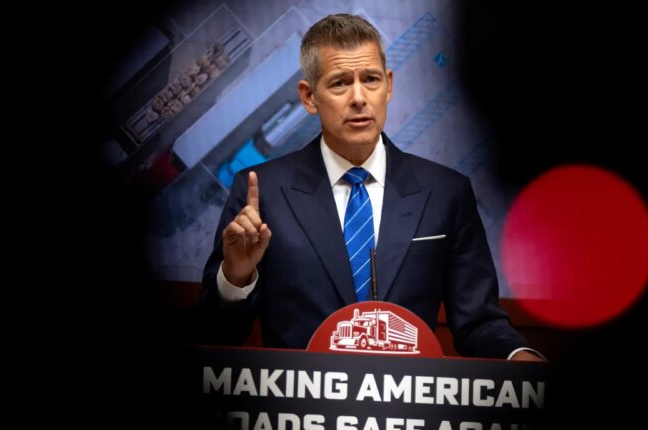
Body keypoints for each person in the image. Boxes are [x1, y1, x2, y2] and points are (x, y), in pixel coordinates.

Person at [193, 14, 542, 361]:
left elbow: (479, 323)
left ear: (388, 86)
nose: (359, 97)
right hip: (299, 410)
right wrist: (235, 277)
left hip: (408, 408)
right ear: (309, 96)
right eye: (340, 83)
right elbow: (219, 333)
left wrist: (519, 355)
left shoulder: (446, 193)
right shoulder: (261, 193)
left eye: (371, 80)